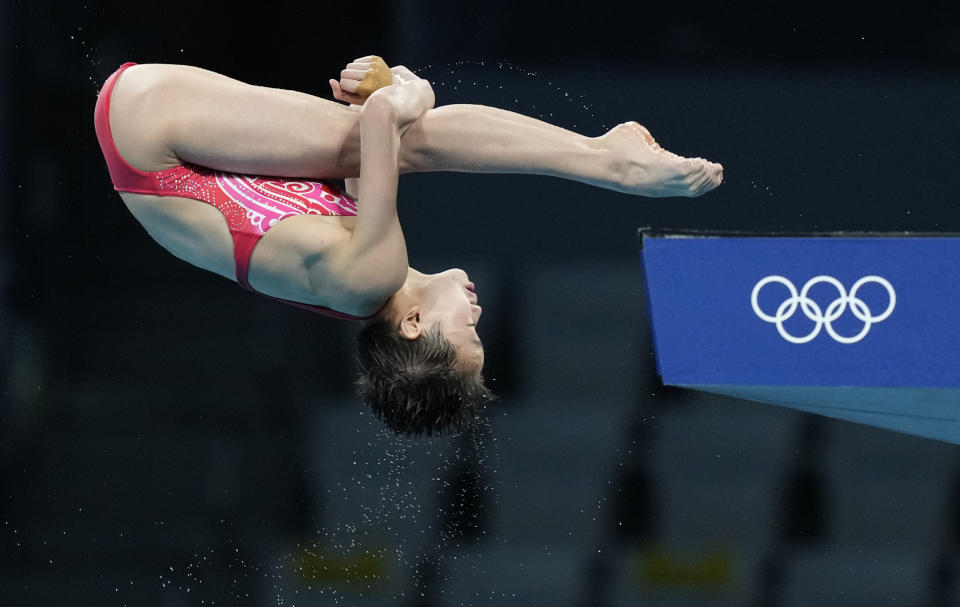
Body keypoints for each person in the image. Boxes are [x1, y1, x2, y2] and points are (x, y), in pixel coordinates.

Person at [93, 56, 724, 437]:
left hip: (152, 137)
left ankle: (610, 163)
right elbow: (361, 153)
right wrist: (380, 93)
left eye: (471, 334)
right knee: (386, 140)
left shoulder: (374, 276)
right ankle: (603, 160)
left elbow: (381, 126)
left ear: (416, 324)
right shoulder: (354, 289)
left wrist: (405, 92)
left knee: (407, 135)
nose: (479, 315)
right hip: (150, 143)